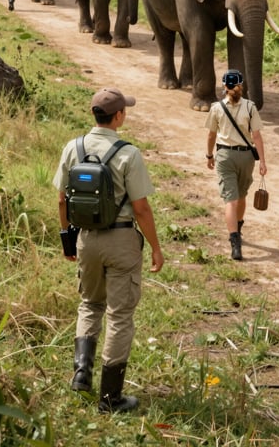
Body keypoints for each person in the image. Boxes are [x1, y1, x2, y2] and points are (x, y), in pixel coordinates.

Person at [54, 87, 164, 414]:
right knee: (120, 315)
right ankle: (110, 398)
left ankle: (81, 374)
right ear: (118, 116)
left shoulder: (72, 148)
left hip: (86, 238)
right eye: (124, 111)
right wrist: (156, 247)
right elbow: (141, 208)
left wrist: (67, 240)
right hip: (122, 240)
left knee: (89, 304)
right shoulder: (128, 154)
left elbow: (62, 200)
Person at [205, 69, 267, 260]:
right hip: (246, 157)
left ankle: (235, 242)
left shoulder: (216, 108)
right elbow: (256, 136)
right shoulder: (250, 107)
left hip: (224, 156)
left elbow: (211, 135)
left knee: (230, 200)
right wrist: (263, 161)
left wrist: (209, 155)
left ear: (224, 86)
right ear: (241, 86)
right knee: (241, 197)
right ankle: (238, 228)